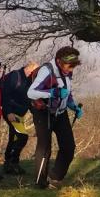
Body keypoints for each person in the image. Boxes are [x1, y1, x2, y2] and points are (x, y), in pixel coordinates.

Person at [27, 46, 84, 189]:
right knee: (45, 147)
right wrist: (53, 93)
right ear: (59, 61)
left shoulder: (67, 72)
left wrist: (73, 106)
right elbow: (31, 93)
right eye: (69, 66)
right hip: (43, 112)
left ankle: (55, 177)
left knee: (68, 147)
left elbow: (66, 92)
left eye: (73, 67)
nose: (71, 70)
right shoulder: (47, 71)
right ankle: (40, 184)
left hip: (60, 112)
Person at [0, 61, 40, 175]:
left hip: (20, 114)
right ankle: (13, 163)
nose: (36, 75)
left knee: (14, 138)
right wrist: (8, 112)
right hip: (11, 112)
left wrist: (38, 121)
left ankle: (9, 164)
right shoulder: (14, 76)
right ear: (30, 69)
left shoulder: (30, 81)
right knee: (22, 137)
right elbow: (5, 95)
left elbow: (30, 101)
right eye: (35, 72)